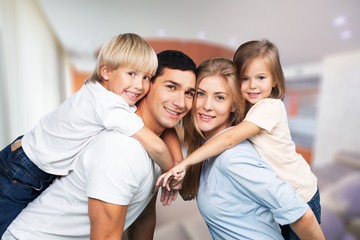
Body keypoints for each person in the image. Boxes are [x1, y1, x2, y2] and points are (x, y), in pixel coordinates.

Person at [1, 49, 197, 240]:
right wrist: (174, 171)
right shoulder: (122, 148)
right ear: (149, 86)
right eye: (171, 87)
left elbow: (143, 218)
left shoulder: (154, 142)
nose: (180, 102)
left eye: (189, 93)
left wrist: (176, 167)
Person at [157, 40, 321, 239]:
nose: (207, 105)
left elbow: (304, 217)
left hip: (304, 191)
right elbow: (189, 192)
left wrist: (183, 163)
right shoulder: (208, 151)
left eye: (219, 97)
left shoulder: (233, 156)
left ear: (234, 105)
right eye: (200, 94)